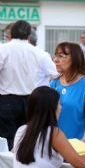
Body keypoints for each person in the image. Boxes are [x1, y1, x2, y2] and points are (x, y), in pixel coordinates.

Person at [13, 86, 85, 168]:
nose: (61, 107)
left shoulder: (21, 130)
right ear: (53, 108)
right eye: (59, 104)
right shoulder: (53, 133)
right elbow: (80, 163)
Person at [0, 20, 42, 149]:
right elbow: (54, 72)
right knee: (26, 138)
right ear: (29, 35)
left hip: (7, 100)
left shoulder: (3, 49)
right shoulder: (37, 52)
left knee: (6, 139)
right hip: (30, 100)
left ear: (11, 33)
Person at [50, 42, 85, 141]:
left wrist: (83, 141)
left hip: (76, 145)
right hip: (54, 144)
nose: (56, 60)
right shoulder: (53, 83)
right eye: (55, 56)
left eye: (61, 56)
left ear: (74, 59)